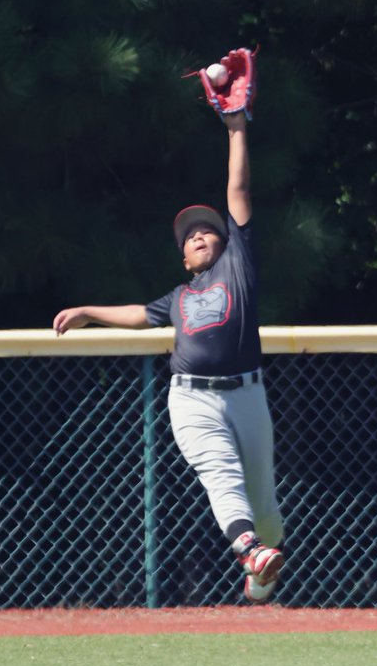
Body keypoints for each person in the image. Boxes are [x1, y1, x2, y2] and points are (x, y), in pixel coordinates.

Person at [52, 108, 285, 603]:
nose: (198, 235)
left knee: (264, 504)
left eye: (207, 230)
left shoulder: (238, 266)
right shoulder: (178, 297)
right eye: (189, 236)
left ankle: (261, 562)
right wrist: (89, 312)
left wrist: (236, 128)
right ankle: (249, 550)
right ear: (184, 258)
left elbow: (238, 190)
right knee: (221, 474)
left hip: (247, 395)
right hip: (192, 400)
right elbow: (140, 313)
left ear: (227, 241)